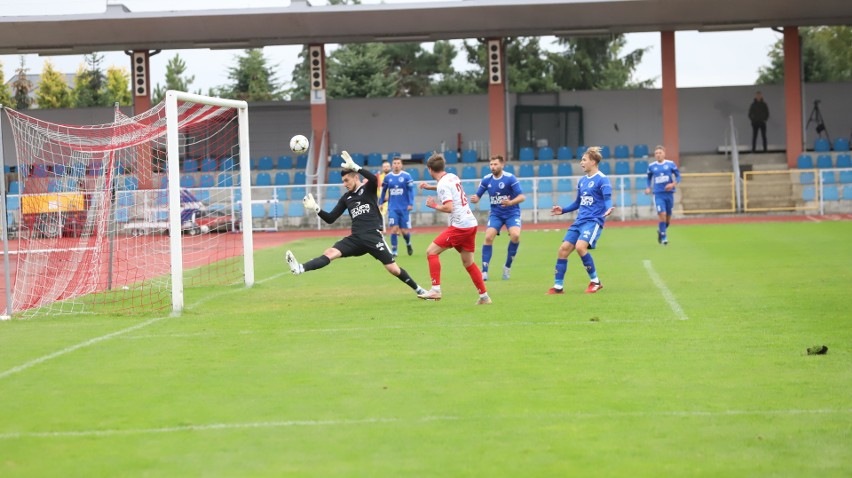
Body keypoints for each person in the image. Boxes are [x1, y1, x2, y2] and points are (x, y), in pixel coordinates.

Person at [285, 151, 428, 297]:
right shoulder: (346, 198)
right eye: (343, 181)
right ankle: (300, 268)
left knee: (394, 270)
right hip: (356, 238)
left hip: (373, 236)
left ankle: (419, 289)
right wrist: (316, 208)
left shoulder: (368, 189)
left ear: (356, 177)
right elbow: (330, 218)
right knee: (330, 253)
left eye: (347, 180)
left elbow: (374, 180)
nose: (344, 184)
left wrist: (356, 166)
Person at [417, 153, 491, 305]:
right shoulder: (452, 177)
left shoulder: (444, 184)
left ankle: (435, 289)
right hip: (470, 223)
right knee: (468, 263)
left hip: (460, 226)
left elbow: (449, 207)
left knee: (431, 252)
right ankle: (485, 297)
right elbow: (445, 187)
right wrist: (429, 187)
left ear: (430, 170)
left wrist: (434, 205)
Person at [548, 146, 614, 295]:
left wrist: (609, 208)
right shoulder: (582, 181)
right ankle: (558, 287)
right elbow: (578, 203)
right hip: (580, 221)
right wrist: (563, 210)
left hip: (593, 221)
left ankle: (596, 282)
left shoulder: (602, 179)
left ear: (593, 162)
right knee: (563, 250)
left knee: (580, 247)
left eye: (584, 160)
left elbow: (607, 199)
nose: (581, 163)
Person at [469, 154, 525, 281]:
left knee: (515, 236)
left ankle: (507, 267)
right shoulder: (486, 179)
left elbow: (522, 197)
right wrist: (475, 199)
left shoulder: (510, 178)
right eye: (491, 164)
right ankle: (484, 271)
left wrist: (510, 202)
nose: (493, 167)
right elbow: (478, 196)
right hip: (496, 214)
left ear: (502, 165)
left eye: (495, 164)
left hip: (512, 213)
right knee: (488, 237)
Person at [644, 145, 680, 245]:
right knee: (662, 215)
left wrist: (672, 184)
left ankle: (661, 231)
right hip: (658, 194)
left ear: (664, 154)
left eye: (660, 153)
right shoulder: (651, 166)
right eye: (656, 153)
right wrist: (648, 187)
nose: (658, 155)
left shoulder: (670, 164)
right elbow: (648, 178)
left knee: (668, 219)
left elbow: (678, 177)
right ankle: (664, 237)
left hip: (669, 194)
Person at [380, 156, 416, 257]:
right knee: (394, 229)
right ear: (392, 165)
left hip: (404, 208)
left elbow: (410, 191)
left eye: (398, 163)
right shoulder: (388, 177)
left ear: (401, 165)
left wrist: (411, 203)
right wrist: (381, 203)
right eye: (394, 163)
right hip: (392, 208)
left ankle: (408, 243)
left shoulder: (407, 176)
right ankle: (394, 251)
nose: (396, 165)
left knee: (404, 231)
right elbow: (383, 191)